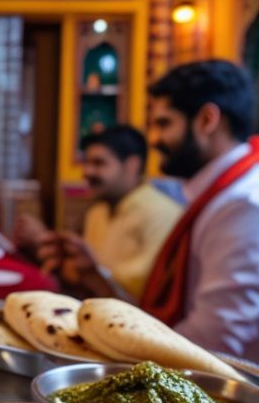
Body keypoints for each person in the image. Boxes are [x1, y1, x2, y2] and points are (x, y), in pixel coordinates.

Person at [48, 60, 259, 403]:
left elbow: (208, 345)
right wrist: (96, 279)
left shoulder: (249, 207)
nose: (155, 140)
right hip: (245, 394)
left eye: (164, 123)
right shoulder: (226, 197)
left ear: (207, 120)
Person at [31, 125, 181, 300]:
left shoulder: (163, 213)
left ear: (132, 165)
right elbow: (85, 281)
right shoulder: (97, 212)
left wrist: (91, 274)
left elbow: (149, 292)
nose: (87, 172)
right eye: (86, 163)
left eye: (99, 163)